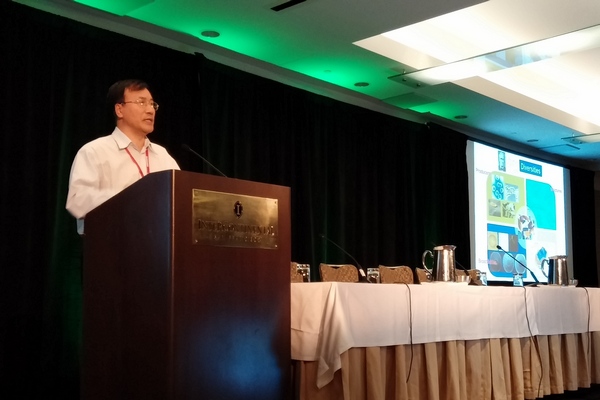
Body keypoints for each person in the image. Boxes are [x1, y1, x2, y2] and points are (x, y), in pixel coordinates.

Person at [66, 79, 180, 234]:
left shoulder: (163, 156)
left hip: (159, 242)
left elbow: (180, 198)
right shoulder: (94, 151)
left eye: (152, 104)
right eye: (141, 102)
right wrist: (132, 201)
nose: (150, 110)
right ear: (119, 110)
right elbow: (78, 201)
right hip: (111, 242)